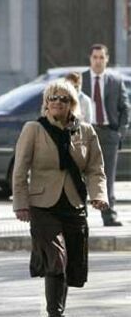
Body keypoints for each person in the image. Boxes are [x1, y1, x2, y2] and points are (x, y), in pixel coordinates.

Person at [13, 79, 108, 317]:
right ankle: (55, 313)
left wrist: (98, 196)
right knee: (56, 258)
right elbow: (20, 170)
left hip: (74, 203)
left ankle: (58, 310)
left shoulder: (85, 131)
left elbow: (96, 168)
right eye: (52, 98)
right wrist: (21, 204)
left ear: (72, 104)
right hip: (42, 205)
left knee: (70, 263)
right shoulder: (33, 129)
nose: (57, 102)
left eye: (63, 99)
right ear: (46, 103)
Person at [82, 44, 130, 226]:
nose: (98, 61)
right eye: (95, 57)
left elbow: (125, 108)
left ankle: (108, 216)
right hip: (86, 134)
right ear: (90, 59)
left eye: (102, 57)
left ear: (107, 59)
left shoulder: (115, 81)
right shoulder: (81, 79)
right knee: (82, 176)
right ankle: (80, 216)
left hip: (109, 134)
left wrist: (120, 132)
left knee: (107, 177)